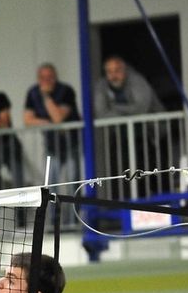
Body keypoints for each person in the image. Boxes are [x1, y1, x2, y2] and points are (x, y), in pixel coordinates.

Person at [93, 56, 168, 198]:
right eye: (109, 71)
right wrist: (126, 114)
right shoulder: (102, 86)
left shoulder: (137, 80)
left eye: (117, 70)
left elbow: (141, 108)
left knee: (154, 171)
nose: (113, 75)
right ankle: (130, 204)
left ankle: (162, 202)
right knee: (124, 173)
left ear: (125, 70)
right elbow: (101, 114)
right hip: (121, 139)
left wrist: (115, 108)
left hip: (151, 134)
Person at [22, 63, 81, 185]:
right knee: (50, 184)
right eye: (43, 78)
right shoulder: (33, 92)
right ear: (38, 79)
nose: (46, 81)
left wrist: (46, 96)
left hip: (71, 144)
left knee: (72, 183)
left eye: (50, 77)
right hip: (51, 146)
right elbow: (28, 120)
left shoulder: (66, 91)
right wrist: (48, 123)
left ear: (55, 77)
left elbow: (58, 118)